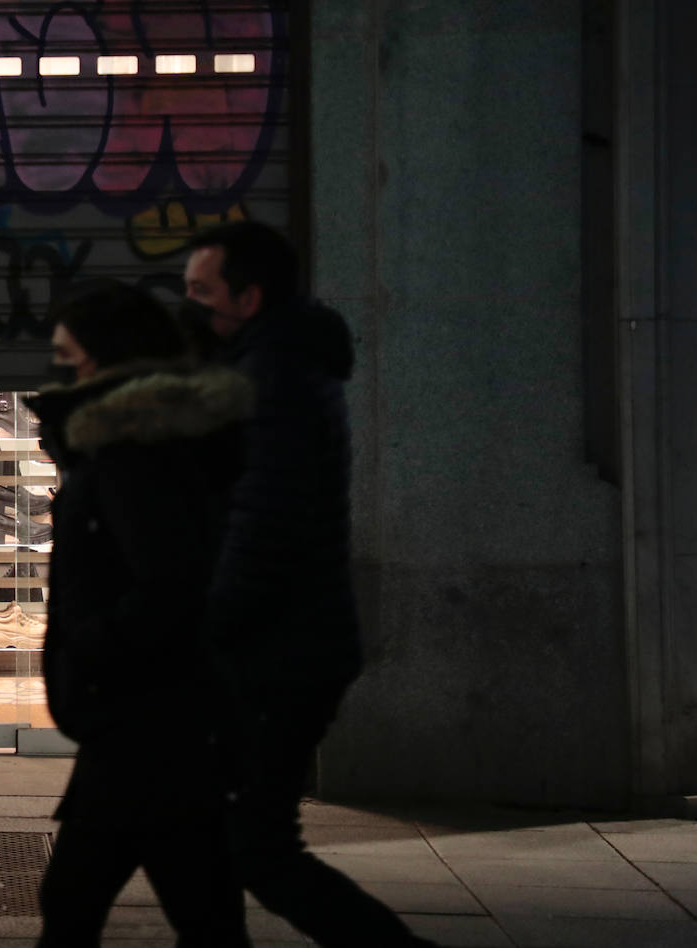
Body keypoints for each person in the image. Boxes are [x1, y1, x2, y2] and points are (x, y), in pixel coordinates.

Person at [181, 221, 436, 947]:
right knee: (219, 840)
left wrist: (210, 627)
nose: (191, 305)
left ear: (249, 297)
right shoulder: (280, 363)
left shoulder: (275, 378)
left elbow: (266, 524)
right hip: (286, 645)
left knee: (256, 846)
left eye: (203, 291)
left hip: (278, 655)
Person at [27, 278, 255, 946]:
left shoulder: (134, 456)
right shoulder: (144, 443)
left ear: (105, 359)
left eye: (71, 359)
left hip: (146, 720)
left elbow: (173, 583)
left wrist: (91, 648)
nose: (63, 373)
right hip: (163, 718)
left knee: (75, 899)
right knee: (197, 901)